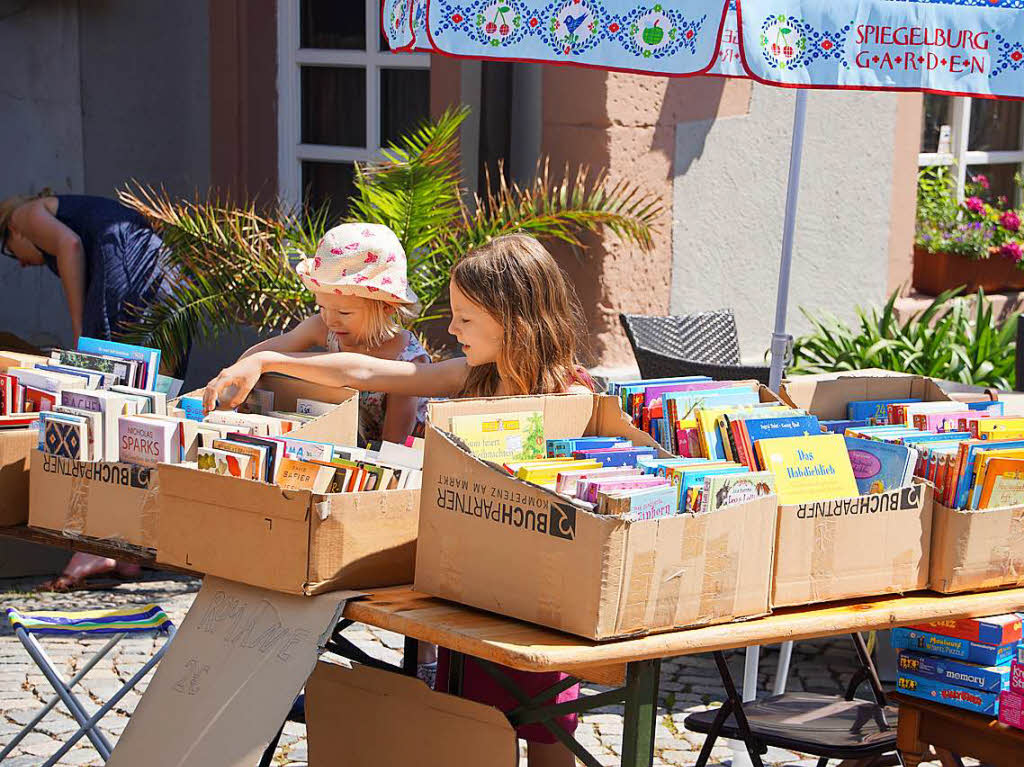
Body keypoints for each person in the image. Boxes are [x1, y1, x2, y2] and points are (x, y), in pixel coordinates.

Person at [203, 233, 593, 767]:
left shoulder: (574, 397)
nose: (451, 330)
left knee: (548, 734)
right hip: (470, 594)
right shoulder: (472, 376)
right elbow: (363, 372)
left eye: (465, 319)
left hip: (541, 603)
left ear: (513, 320)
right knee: (475, 725)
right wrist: (264, 362)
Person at [0, 192, 175, 591]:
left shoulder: (26, 214)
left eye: (13, 254)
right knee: (146, 402)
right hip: (160, 265)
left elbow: (69, 245)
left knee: (109, 398)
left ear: (11, 231)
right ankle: (129, 545)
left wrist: (81, 335)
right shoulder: (81, 212)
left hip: (128, 263)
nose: (26, 261)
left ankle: (100, 542)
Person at [233, 222, 428, 445]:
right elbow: (264, 351)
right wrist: (237, 373)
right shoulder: (324, 328)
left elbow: (394, 443)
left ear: (387, 307)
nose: (330, 319)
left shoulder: (408, 361)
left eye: (344, 312)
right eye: (322, 307)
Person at [0, 192, 170, 345]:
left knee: (105, 356)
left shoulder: (21, 216)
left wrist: (79, 329)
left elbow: (70, 245)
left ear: (13, 231)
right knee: (162, 359)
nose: (21, 263)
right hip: (161, 258)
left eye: (11, 251)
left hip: (122, 252)